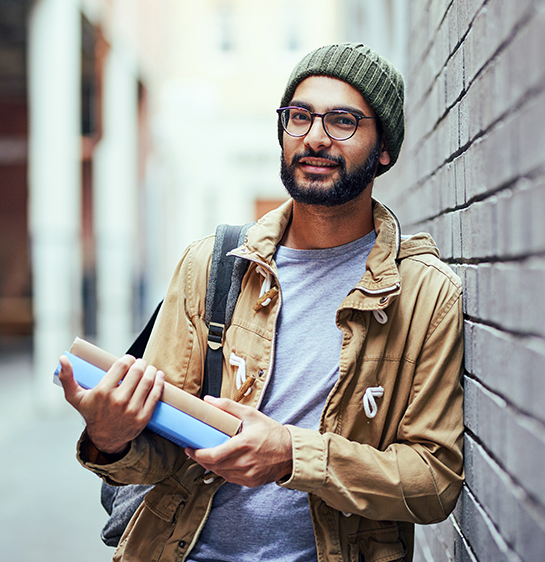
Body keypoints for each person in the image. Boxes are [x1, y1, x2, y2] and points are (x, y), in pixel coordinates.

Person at [59, 42, 464, 562]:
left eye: (343, 120)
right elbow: (158, 457)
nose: (315, 137)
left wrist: (291, 456)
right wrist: (112, 437)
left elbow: (433, 481)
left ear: (384, 149)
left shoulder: (425, 296)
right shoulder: (212, 264)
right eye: (299, 117)